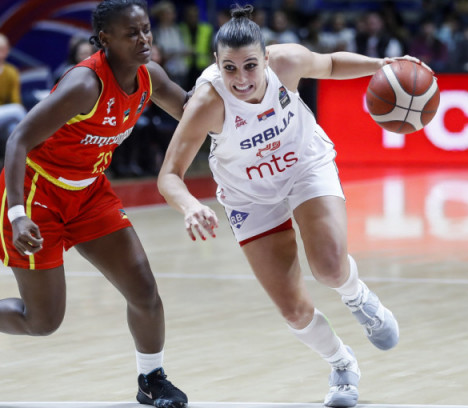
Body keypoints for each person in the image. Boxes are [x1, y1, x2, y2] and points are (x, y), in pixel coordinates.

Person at [157, 5, 421, 407]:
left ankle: (357, 296)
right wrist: (190, 206)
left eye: (250, 65)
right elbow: (169, 175)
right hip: (248, 195)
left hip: (304, 166)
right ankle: (342, 363)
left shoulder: (286, 61)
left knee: (330, 268)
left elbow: (330, 64)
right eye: (229, 68)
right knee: (293, 310)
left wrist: (381, 65)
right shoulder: (208, 102)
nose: (241, 79)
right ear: (216, 63)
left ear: (266, 57)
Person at [0, 2, 189, 407]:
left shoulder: (150, 76)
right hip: (37, 194)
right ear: (105, 39)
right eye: (132, 33)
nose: (144, 39)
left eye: (146, 30)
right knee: (43, 321)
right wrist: (17, 215)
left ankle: (151, 379)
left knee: (144, 290)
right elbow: (18, 139)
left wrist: (233, 92)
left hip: (89, 192)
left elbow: (191, 110)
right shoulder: (85, 85)